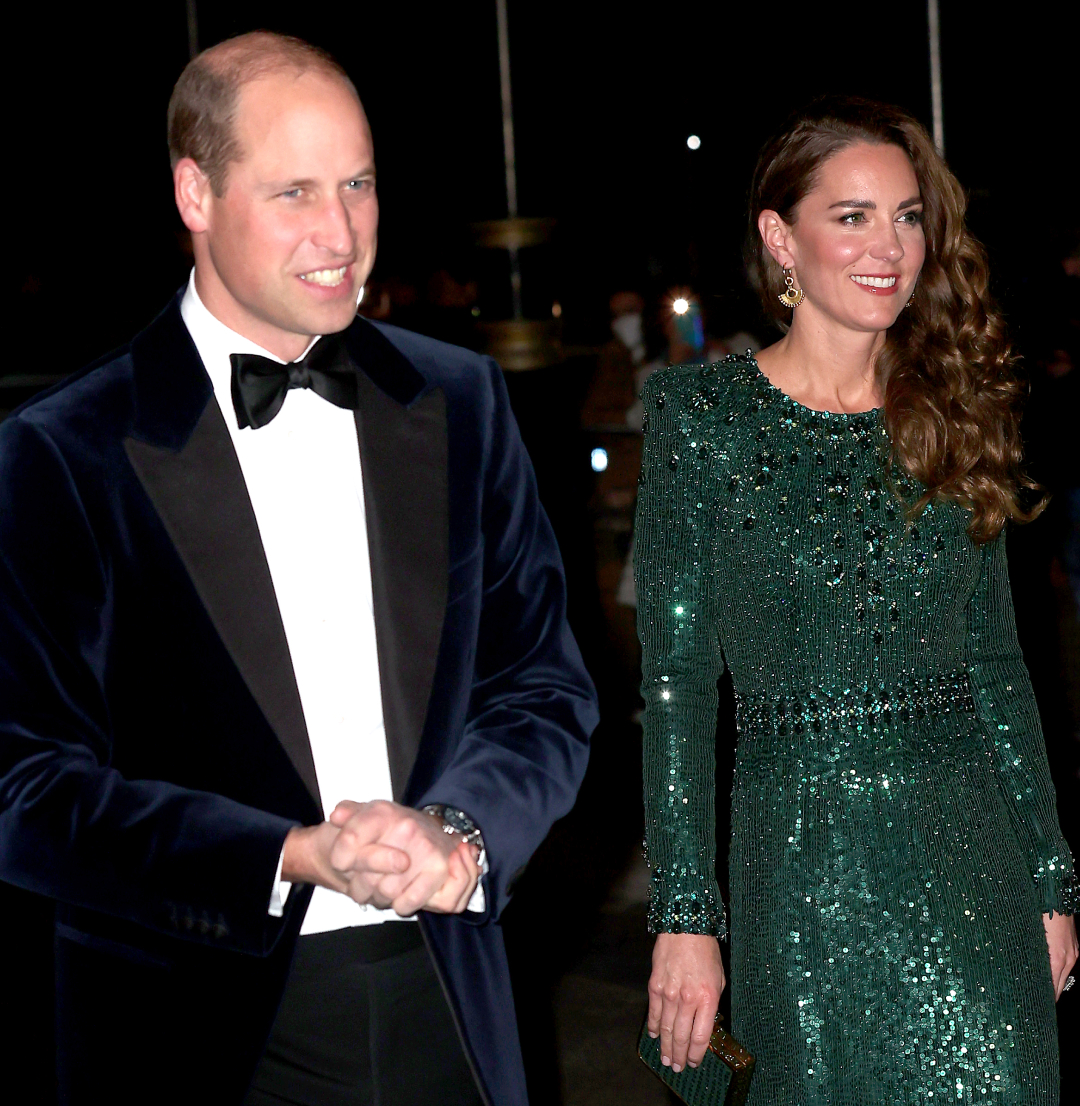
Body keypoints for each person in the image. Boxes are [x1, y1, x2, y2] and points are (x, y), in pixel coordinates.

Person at [0, 32, 597, 1106]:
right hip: (196, 1027)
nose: (341, 234)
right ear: (194, 191)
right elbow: (24, 788)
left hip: (448, 996)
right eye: (294, 192)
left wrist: (461, 832)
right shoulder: (63, 450)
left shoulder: (461, 400)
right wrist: (285, 853)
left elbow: (542, 688)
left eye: (359, 184)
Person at [635, 96, 1078, 1104]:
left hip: (975, 867)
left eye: (908, 216)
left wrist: (1049, 879)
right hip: (800, 875)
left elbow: (1000, 665)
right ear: (779, 238)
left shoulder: (954, 413)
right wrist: (685, 914)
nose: (891, 247)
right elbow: (676, 684)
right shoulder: (702, 423)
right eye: (854, 216)